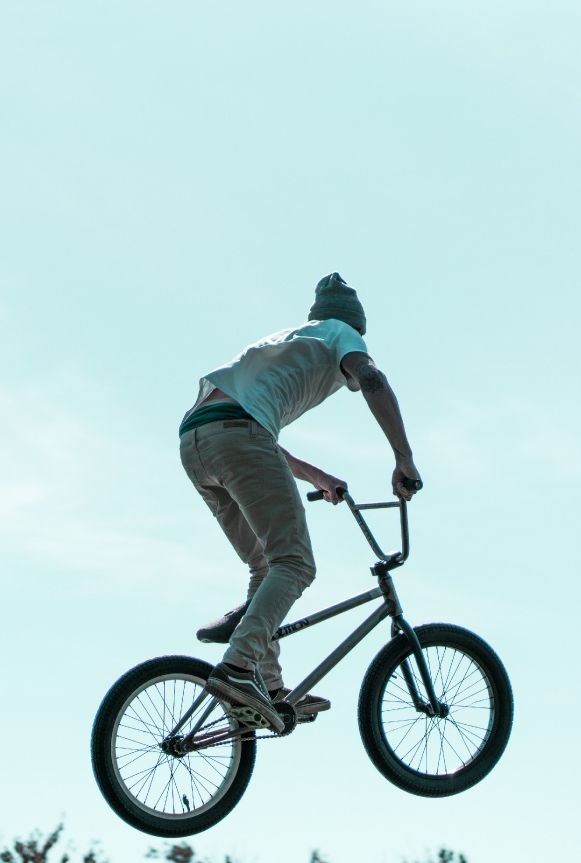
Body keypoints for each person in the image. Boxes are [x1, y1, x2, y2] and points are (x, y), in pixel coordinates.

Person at [179, 272, 421, 734]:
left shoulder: (289, 339)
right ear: (356, 327)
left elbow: (244, 428)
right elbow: (371, 378)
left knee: (266, 567)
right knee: (295, 563)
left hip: (196, 441)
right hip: (238, 436)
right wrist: (403, 458)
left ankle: (266, 690)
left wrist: (315, 475)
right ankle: (237, 670)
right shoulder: (339, 333)